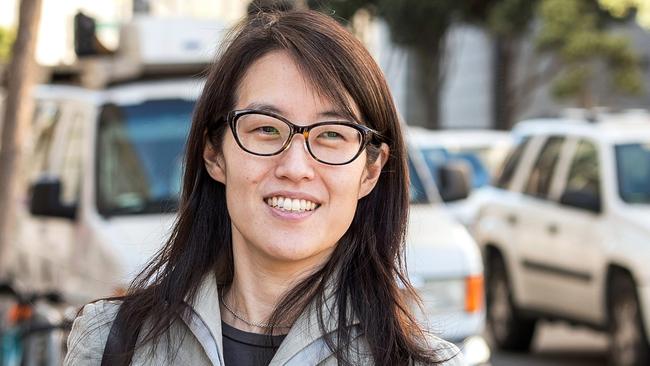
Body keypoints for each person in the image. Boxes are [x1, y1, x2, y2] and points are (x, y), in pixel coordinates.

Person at [64, 8, 465, 366]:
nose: (295, 167)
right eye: (266, 129)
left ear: (371, 169)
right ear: (213, 154)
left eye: (331, 135)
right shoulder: (111, 344)